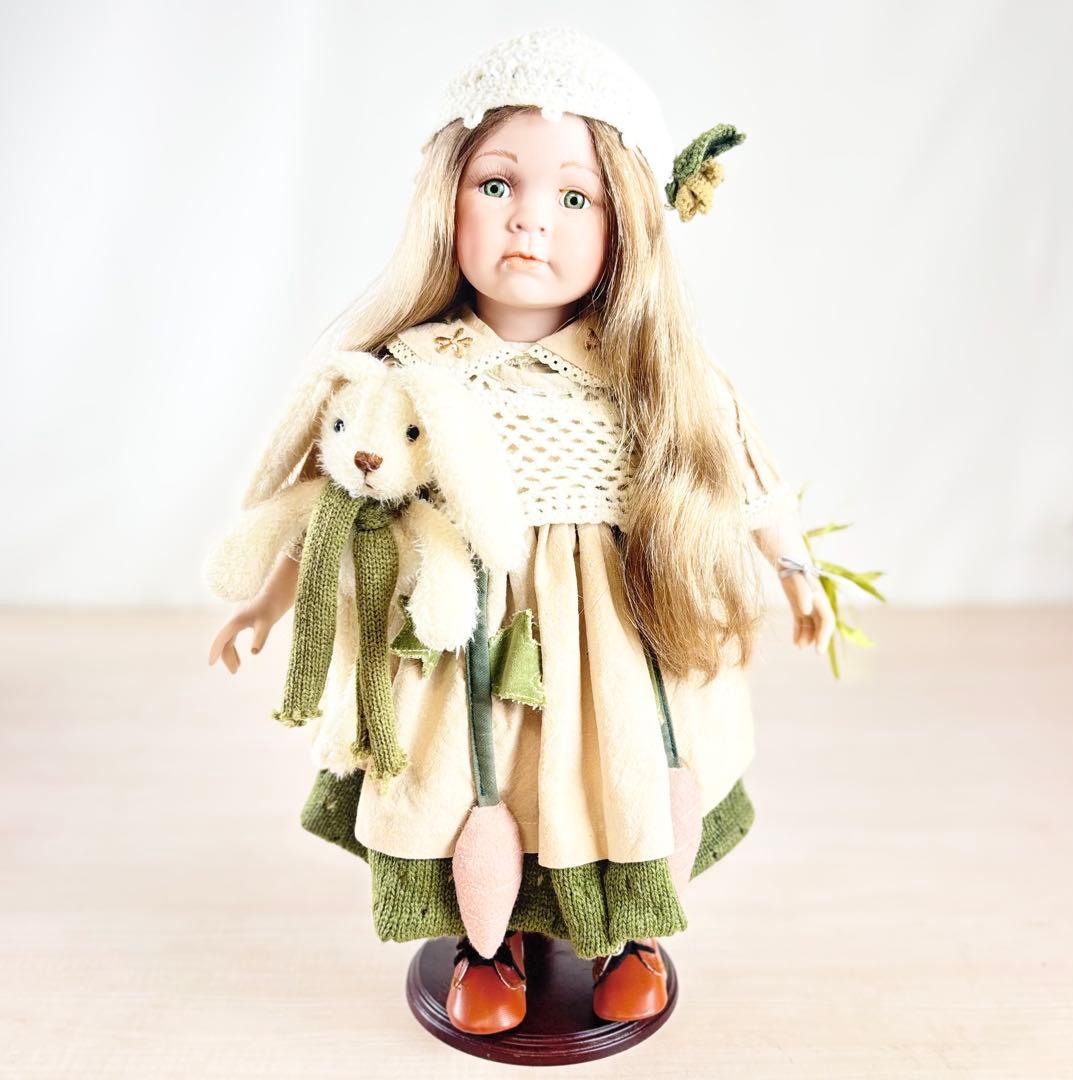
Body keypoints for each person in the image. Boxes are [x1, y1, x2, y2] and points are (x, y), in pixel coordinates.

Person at [207, 26, 834, 1036]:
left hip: (615, 633)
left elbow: (740, 463)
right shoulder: (417, 367)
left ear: (626, 221)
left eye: (575, 198)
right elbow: (336, 500)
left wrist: (794, 567)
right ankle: (484, 946)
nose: (531, 220)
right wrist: (268, 601)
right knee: (475, 781)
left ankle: (629, 935)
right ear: (445, 201)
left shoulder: (647, 369)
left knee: (622, 770)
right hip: (465, 637)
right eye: (497, 184)